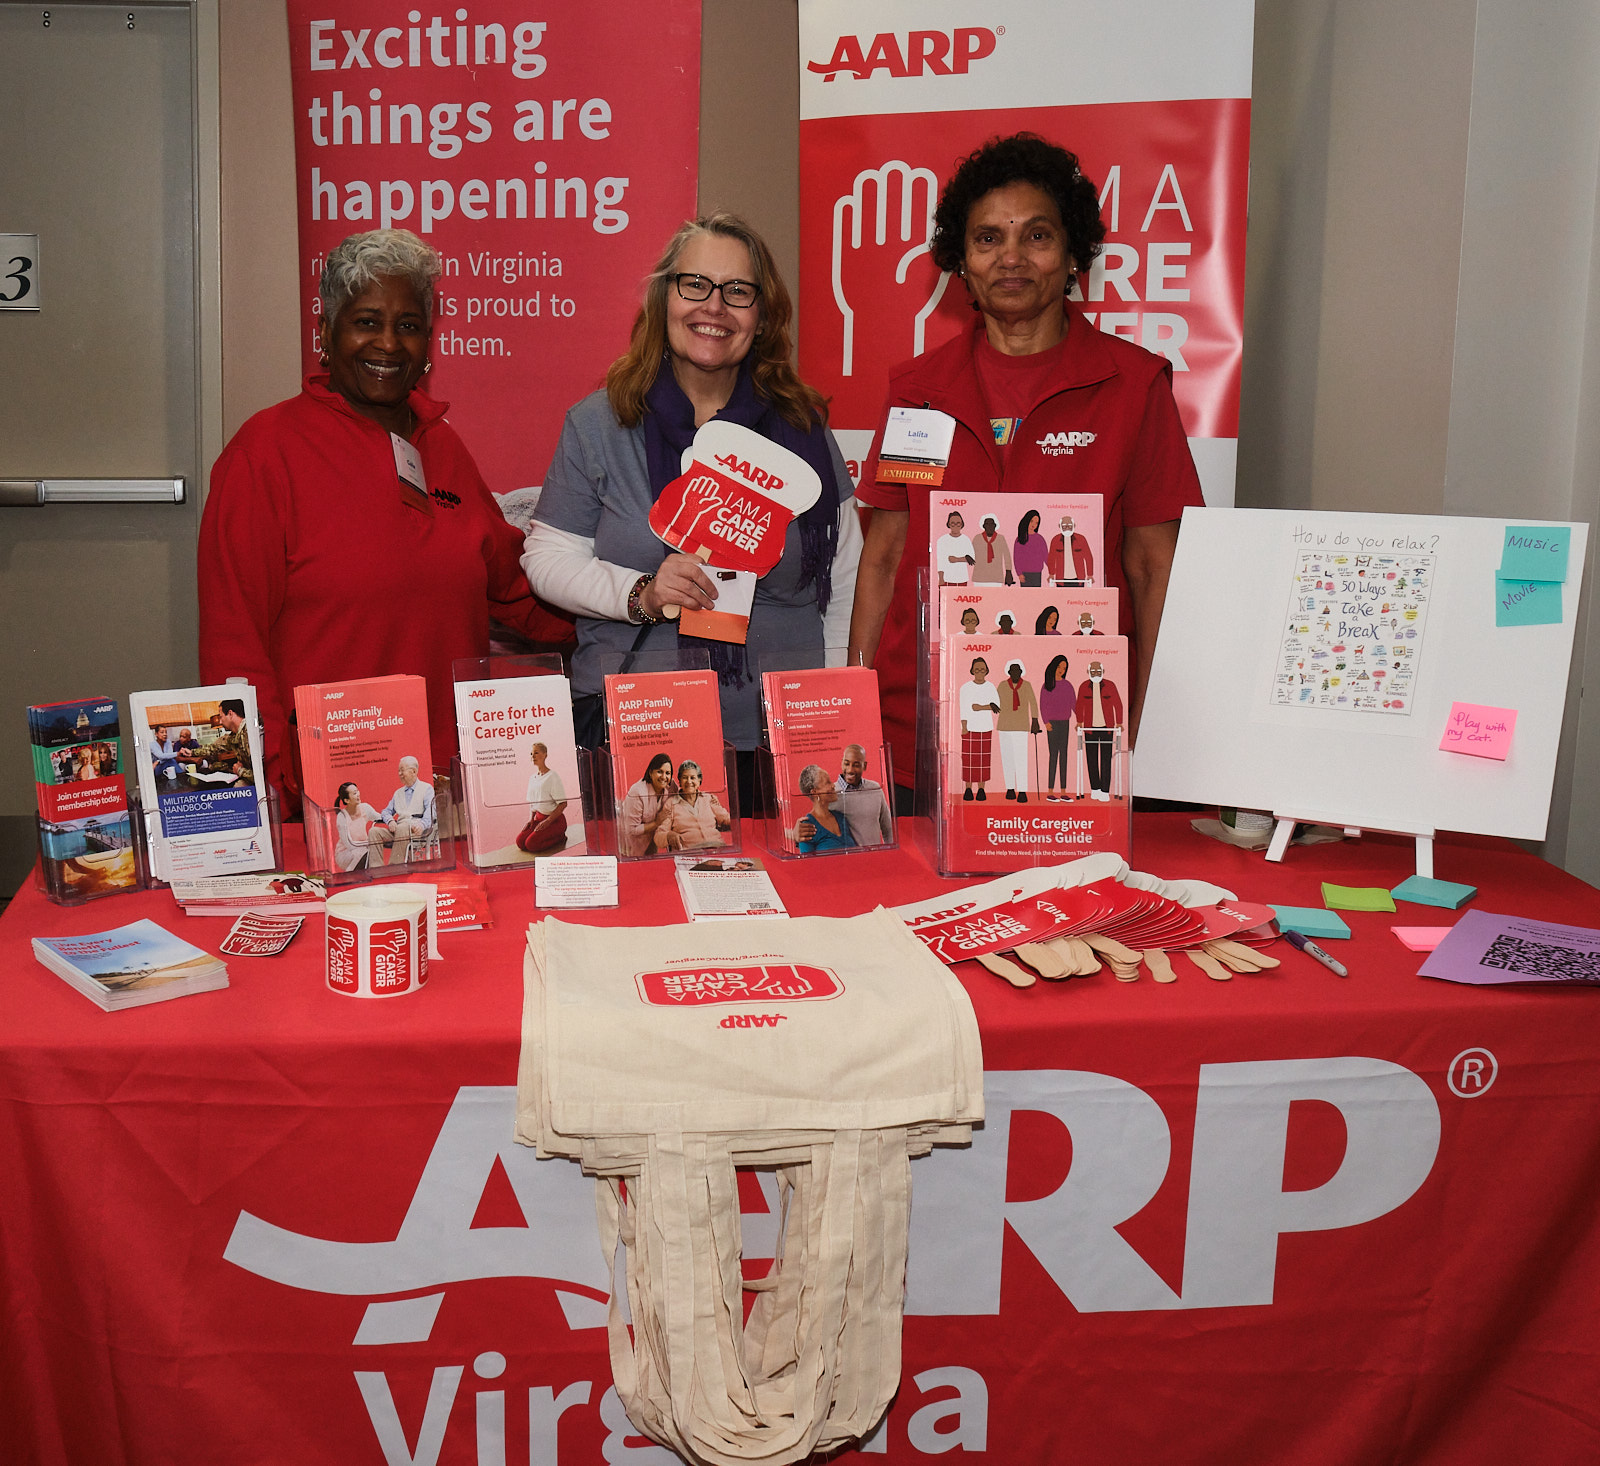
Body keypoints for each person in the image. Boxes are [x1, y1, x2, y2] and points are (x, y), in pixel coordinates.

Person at [850, 133, 1204, 791]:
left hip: (1072, 726)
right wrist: (856, 715)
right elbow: (884, 556)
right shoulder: (919, 391)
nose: (1010, 257)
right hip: (918, 730)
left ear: (1072, 255)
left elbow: (1155, 568)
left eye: (1037, 236)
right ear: (961, 260)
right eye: (987, 239)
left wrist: (1149, 733)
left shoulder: (1132, 387)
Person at [198, 229, 570, 804]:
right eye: (366, 322)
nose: (389, 344)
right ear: (325, 332)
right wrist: (266, 793)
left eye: (409, 325)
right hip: (327, 799)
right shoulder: (263, 453)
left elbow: (520, 588)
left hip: (451, 792)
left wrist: (632, 606)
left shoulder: (442, 446)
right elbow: (233, 643)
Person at [522, 213, 860, 767]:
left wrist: (837, 699)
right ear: (664, 300)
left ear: (763, 316)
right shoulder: (600, 423)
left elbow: (845, 580)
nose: (715, 306)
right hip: (640, 733)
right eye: (695, 284)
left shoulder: (803, 429)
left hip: (783, 738)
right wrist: (643, 593)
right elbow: (547, 557)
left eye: (738, 291)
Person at [795, 742, 892, 849]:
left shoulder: (875, 789)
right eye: (846, 764)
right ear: (841, 763)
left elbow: (888, 829)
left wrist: (889, 853)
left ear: (864, 766)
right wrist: (794, 835)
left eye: (856, 765)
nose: (850, 770)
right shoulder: (830, 794)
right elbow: (813, 822)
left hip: (875, 856)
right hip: (850, 857)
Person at [368, 755, 436, 863]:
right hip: (399, 830)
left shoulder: (426, 789)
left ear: (414, 771)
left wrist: (422, 825)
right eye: (398, 771)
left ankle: (394, 867)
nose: (399, 773)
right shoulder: (398, 793)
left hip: (417, 831)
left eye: (402, 770)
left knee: (402, 827)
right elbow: (386, 811)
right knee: (374, 832)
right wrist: (390, 821)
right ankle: (376, 868)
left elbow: (431, 811)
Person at [655, 760, 732, 851]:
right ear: (679, 781)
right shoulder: (671, 804)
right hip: (689, 852)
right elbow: (659, 836)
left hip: (716, 848)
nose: (689, 781)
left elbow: (727, 819)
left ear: (699, 780)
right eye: (685, 778)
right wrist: (668, 836)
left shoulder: (708, 799)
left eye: (692, 778)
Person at [1076, 659, 1124, 802]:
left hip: (1107, 728)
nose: (1096, 673)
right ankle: (1095, 789)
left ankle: (1104, 790)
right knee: (1091, 759)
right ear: (1088, 672)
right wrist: (1079, 721)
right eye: (1093, 671)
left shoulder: (1110, 685)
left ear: (1103, 671)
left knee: (1105, 759)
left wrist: (1119, 722)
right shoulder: (1083, 686)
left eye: (1098, 671)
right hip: (1089, 728)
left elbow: (1118, 704)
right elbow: (1079, 705)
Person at [956, 657, 1001, 801]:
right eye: (977, 670)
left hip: (985, 727)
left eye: (982, 669)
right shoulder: (965, 688)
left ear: (986, 671)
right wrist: (964, 726)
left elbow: (996, 706)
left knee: (983, 760)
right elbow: (963, 707)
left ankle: (981, 789)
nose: (980, 672)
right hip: (970, 728)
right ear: (972, 671)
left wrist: (981, 707)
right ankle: (968, 789)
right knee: (969, 760)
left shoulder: (990, 687)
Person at [995, 661, 1040, 802]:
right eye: (1013, 671)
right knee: (1007, 759)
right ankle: (1010, 788)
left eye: (1018, 671)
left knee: (1021, 759)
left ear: (1021, 672)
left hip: (1021, 726)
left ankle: (1022, 790)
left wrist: (1035, 720)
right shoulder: (1002, 685)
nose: (1015, 673)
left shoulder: (1026, 685)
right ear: (1009, 673)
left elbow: (1033, 703)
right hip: (1004, 726)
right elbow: (994, 699)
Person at [515, 742, 568, 854]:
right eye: (531, 754)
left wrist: (548, 821)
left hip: (555, 821)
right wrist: (531, 820)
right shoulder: (532, 778)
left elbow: (563, 804)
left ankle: (560, 836)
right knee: (520, 842)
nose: (533, 756)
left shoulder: (552, 776)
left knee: (531, 844)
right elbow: (533, 803)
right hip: (539, 819)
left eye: (536, 753)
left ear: (545, 755)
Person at [794, 764, 858, 855]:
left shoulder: (841, 817)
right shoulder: (807, 826)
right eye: (827, 782)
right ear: (815, 792)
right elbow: (807, 862)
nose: (833, 785)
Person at [620, 752, 674, 857]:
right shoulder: (637, 792)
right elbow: (631, 830)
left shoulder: (669, 788)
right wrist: (657, 823)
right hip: (631, 847)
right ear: (650, 772)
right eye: (659, 772)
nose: (664, 777)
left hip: (652, 842)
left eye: (667, 773)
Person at [1040, 654, 1076, 800]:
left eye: (1064, 668)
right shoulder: (1047, 686)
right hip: (1052, 724)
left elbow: (1074, 704)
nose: (1061, 670)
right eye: (1059, 666)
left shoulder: (1068, 685)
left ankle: (1063, 791)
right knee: (1053, 755)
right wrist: (1046, 722)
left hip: (1065, 723)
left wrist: (1081, 720)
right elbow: (1043, 705)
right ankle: (1050, 791)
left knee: (1064, 755)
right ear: (1053, 666)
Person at [196, 699, 254, 785]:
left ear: (230, 714)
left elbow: (262, 774)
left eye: (221, 717)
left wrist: (239, 770)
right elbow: (214, 748)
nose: (220, 722)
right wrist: (191, 752)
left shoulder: (250, 733)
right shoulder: (234, 736)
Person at [333, 781, 383, 871]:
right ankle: (349, 874)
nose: (358, 795)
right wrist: (369, 843)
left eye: (357, 791)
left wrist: (391, 820)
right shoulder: (342, 816)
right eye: (354, 793)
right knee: (362, 852)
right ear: (347, 800)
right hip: (345, 853)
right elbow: (349, 844)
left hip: (363, 850)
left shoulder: (365, 808)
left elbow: (380, 818)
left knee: (367, 852)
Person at [1048, 514, 1095, 585]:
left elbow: (1088, 557)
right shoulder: (1055, 540)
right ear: (1059, 526)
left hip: (1078, 579)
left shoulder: (1081, 539)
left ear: (1074, 525)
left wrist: (1090, 575)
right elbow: (1051, 558)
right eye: (1064, 526)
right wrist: (1051, 574)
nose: (1067, 528)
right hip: (1061, 579)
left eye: (1069, 526)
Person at [935, 510, 975, 586]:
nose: (955, 526)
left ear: (962, 524)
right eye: (953, 523)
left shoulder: (966, 540)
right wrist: (941, 578)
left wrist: (957, 559)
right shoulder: (942, 540)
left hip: (962, 578)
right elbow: (940, 561)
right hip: (947, 579)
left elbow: (972, 559)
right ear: (949, 524)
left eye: (958, 523)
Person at [971, 515, 1014, 584]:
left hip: (996, 577)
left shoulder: (1000, 538)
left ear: (995, 526)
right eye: (987, 524)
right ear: (984, 526)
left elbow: (1007, 555)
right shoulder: (977, 538)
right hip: (979, 577)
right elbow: (970, 553)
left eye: (991, 524)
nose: (989, 526)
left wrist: (1008, 572)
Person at [1013, 509, 1048, 586]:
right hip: (1024, 574)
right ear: (1027, 520)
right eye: (1031, 521)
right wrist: (1019, 573)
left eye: (1036, 523)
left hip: (1037, 573)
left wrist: (1052, 571)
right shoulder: (1020, 539)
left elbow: (1046, 556)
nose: (1033, 524)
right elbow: (1016, 558)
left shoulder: (1040, 539)